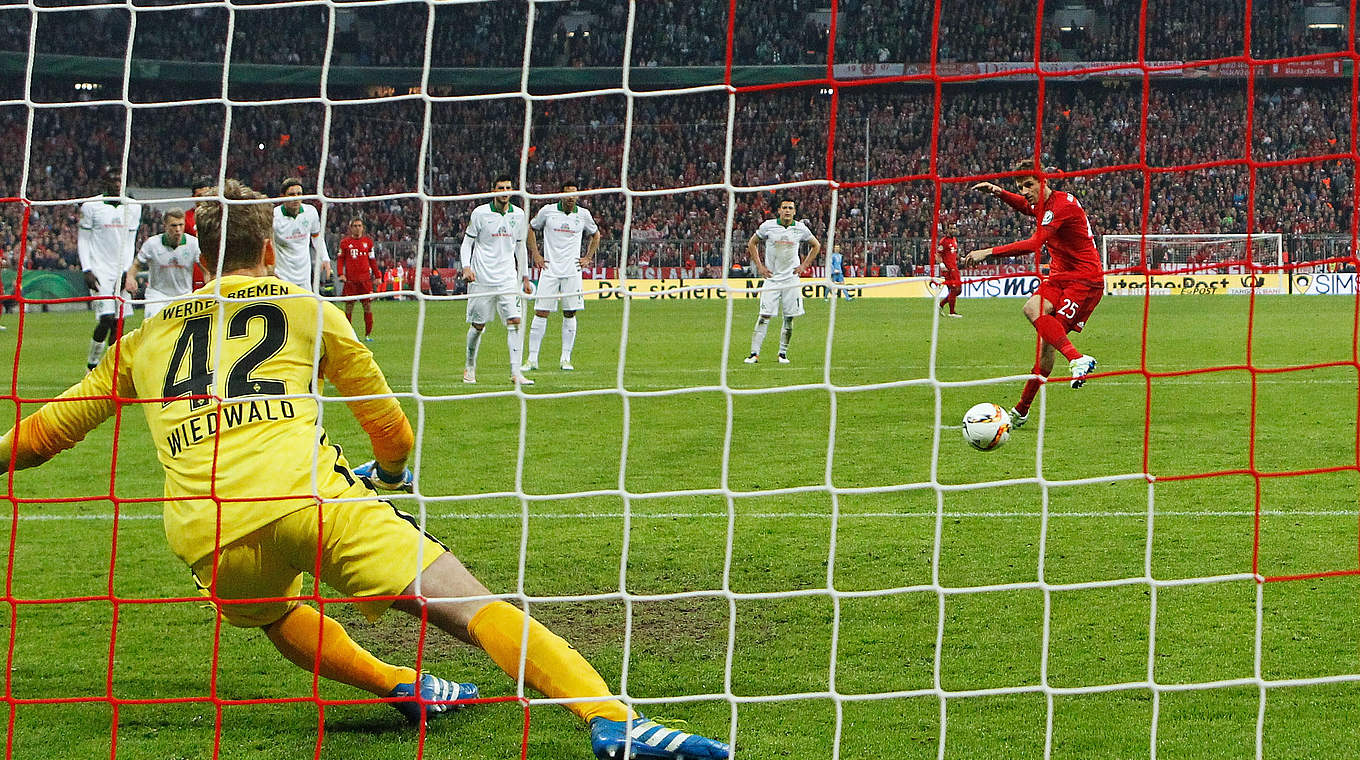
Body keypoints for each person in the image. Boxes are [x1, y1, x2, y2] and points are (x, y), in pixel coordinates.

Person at [0, 179, 730, 760]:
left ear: (196, 248)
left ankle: (399, 688)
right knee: (469, 607)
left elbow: (42, 437)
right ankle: (610, 719)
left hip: (207, 534)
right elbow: (391, 430)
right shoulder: (305, 305)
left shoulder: (144, 335)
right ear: (269, 244)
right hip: (313, 499)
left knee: (276, 615)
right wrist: (389, 476)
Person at [964, 161, 1102, 427]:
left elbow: (1034, 244)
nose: (1025, 191)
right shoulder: (1043, 205)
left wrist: (988, 252)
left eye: (1029, 185)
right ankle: (1023, 410)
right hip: (1061, 276)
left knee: (1049, 342)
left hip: (1084, 280)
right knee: (1034, 313)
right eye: (1020, 187)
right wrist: (998, 191)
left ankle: (1076, 360)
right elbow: (1026, 207)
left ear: (1044, 182)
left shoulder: (1062, 206)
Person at [461, 174, 534, 386]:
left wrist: (525, 277)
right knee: (478, 325)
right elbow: (467, 244)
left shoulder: (519, 215)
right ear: (493, 191)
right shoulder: (480, 214)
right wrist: (466, 267)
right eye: (500, 188)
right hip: (482, 278)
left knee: (515, 322)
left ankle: (515, 372)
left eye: (508, 188)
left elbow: (520, 247)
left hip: (508, 279)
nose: (505, 192)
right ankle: (470, 367)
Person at [524, 181, 600, 372]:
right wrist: (536, 255)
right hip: (550, 270)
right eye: (567, 194)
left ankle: (565, 358)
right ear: (561, 194)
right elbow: (531, 228)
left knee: (570, 312)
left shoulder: (583, 215)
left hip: (572, 271)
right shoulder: (547, 211)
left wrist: (588, 258)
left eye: (574, 194)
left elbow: (596, 235)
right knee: (541, 312)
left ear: (578, 196)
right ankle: (532, 359)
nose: (570, 198)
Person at [743, 198, 821, 365]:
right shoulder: (768, 226)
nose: (787, 210)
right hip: (772, 279)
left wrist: (804, 266)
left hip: (791, 280)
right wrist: (760, 267)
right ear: (778, 210)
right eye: (784, 207)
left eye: (790, 208)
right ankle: (754, 354)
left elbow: (816, 245)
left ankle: (782, 354)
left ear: (794, 211)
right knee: (764, 316)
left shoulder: (800, 228)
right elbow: (752, 243)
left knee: (789, 318)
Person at [77, 169, 142, 370]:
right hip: (99, 272)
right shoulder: (91, 206)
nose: (117, 183)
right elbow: (83, 239)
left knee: (118, 322)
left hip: (120, 270)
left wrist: (126, 271)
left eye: (120, 179)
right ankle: (92, 364)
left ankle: (111, 368)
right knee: (105, 320)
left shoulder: (133, 207)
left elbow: (131, 241)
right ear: (105, 181)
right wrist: (86, 269)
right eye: (113, 179)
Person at [125, 209, 201, 320]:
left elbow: (206, 269)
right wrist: (130, 277)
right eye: (173, 226)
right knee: (153, 325)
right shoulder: (152, 244)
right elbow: (137, 264)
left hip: (184, 295)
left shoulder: (194, 244)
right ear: (165, 226)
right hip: (157, 295)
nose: (178, 230)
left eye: (181, 225)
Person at [272, 177, 332, 291]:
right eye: (291, 194)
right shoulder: (274, 216)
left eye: (299, 194)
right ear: (282, 197)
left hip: (304, 276)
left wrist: (325, 258)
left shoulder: (311, 212)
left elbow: (316, 236)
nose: (296, 198)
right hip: (281, 275)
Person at [337, 217, 381, 341]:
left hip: (365, 281)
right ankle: (347, 334)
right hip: (350, 281)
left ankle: (368, 335)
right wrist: (341, 273)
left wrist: (377, 276)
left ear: (363, 227)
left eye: (359, 225)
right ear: (351, 228)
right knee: (349, 306)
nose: (357, 228)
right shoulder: (345, 243)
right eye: (355, 226)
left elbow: (372, 260)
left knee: (367, 306)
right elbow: (340, 259)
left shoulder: (368, 242)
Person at [184, 175, 216, 290]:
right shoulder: (186, 218)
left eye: (207, 195)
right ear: (193, 197)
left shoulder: (220, 215)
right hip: (196, 267)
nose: (203, 199)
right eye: (199, 196)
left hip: (218, 262)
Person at [937, 225, 962, 317]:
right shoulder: (943, 241)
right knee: (954, 289)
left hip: (954, 268)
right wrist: (942, 265)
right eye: (951, 228)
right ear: (947, 229)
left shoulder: (954, 240)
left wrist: (961, 259)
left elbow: (953, 253)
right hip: (948, 269)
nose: (953, 230)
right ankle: (952, 312)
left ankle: (941, 305)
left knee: (958, 291)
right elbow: (938, 254)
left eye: (954, 228)